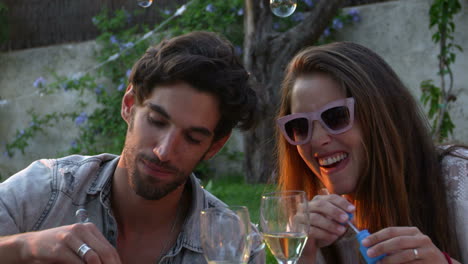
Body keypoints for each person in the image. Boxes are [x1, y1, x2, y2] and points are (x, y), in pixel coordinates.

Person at [0, 31, 265, 263]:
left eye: (192, 138)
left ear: (214, 146)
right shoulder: (48, 191)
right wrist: (25, 247)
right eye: (157, 121)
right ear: (129, 106)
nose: (164, 151)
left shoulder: (237, 245)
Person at [275, 41, 467, 264]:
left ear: (381, 115)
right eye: (300, 126)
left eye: (336, 116)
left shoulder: (458, 181)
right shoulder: (313, 224)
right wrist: (302, 256)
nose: (317, 140)